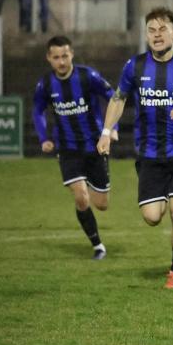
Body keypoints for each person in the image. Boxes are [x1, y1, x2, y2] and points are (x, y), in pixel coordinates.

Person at [97, 7, 173, 289]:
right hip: (149, 155)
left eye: (163, 29)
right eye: (151, 30)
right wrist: (106, 131)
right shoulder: (134, 66)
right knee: (152, 217)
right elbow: (118, 98)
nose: (157, 34)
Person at [32, 36, 117, 260]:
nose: (61, 62)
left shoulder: (88, 76)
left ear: (72, 54)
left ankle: (89, 184)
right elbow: (38, 110)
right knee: (81, 198)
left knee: (102, 204)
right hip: (68, 149)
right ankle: (98, 246)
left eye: (65, 56)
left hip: (95, 146)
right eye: (56, 57)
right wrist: (44, 138)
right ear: (49, 58)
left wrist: (112, 128)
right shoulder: (45, 84)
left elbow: (113, 97)